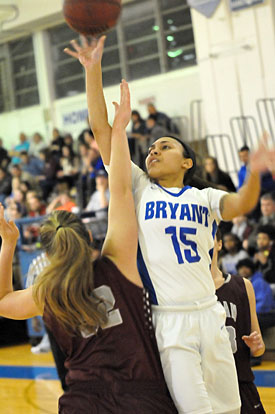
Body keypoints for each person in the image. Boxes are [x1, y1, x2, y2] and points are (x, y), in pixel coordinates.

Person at [65, 35, 275, 414]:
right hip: (169, 319)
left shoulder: (205, 197)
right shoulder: (140, 188)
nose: (153, 150)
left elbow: (242, 203)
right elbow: (101, 131)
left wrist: (256, 173)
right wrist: (92, 70)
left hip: (210, 315)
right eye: (151, 147)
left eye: (165, 146)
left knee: (230, 409)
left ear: (187, 162)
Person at [0, 81, 176, 414]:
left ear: (48, 254)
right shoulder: (117, 263)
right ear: (90, 238)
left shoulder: (48, 292)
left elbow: (3, 302)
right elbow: (121, 190)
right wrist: (119, 131)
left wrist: (8, 244)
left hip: (82, 402)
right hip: (142, 398)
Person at [211, 228, 266, 414]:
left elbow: (259, 349)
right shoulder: (187, 292)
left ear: (219, 243)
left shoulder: (243, 286)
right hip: (207, 387)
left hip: (240, 382)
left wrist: (256, 345)